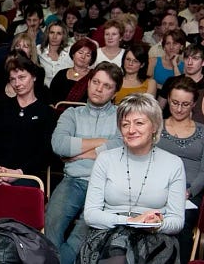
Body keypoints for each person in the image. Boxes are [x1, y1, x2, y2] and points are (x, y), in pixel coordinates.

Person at [79, 93, 188, 263]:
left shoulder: (174, 164)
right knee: (118, 248)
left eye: (139, 123)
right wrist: (129, 221)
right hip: (109, 232)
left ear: (154, 126)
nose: (131, 130)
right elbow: (91, 214)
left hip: (155, 236)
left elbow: (177, 221)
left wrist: (157, 224)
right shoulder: (105, 159)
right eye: (125, 124)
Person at [47, 62, 123, 264]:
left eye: (107, 86)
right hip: (73, 180)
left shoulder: (122, 117)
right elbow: (59, 144)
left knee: (82, 236)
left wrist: (80, 154)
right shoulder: (71, 114)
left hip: (107, 185)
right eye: (96, 82)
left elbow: (121, 146)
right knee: (52, 226)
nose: (99, 89)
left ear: (116, 91)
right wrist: (103, 143)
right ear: (88, 83)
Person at [0, 54, 57, 219]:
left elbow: (46, 152)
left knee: (17, 209)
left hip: (27, 174)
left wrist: (17, 173)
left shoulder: (46, 113)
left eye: (22, 77)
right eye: (13, 79)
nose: (17, 83)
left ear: (33, 77)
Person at [155, 77, 204, 256]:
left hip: (189, 190)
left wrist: (187, 192)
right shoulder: (156, 126)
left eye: (185, 104)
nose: (179, 109)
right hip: (157, 187)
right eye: (174, 103)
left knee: (182, 222)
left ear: (194, 104)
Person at [50, 37, 97, 103]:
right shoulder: (61, 74)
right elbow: (51, 98)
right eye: (80, 53)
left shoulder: (95, 77)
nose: (83, 57)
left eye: (88, 55)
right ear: (73, 54)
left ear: (91, 60)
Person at [39, 21, 75, 87]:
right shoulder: (39, 50)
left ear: (63, 36)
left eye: (59, 33)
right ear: (47, 34)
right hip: (45, 91)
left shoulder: (71, 50)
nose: (54, 37)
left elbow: (78, 72)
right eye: (52, 32)